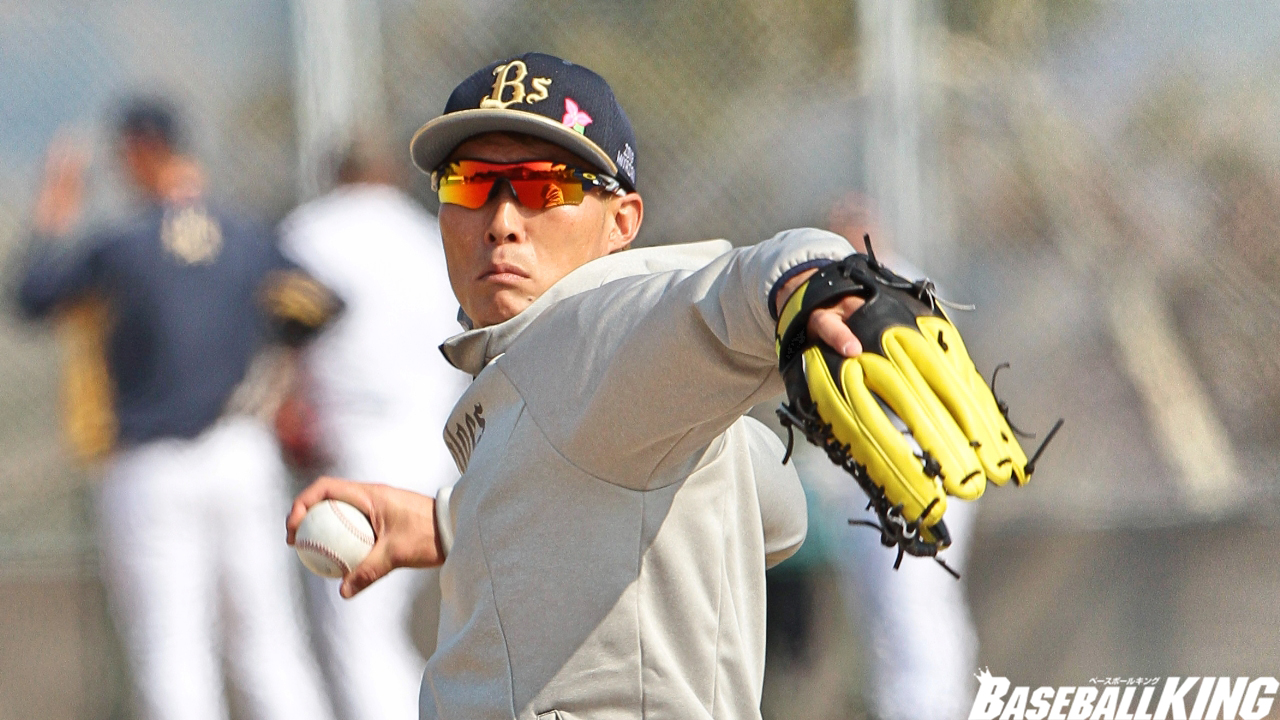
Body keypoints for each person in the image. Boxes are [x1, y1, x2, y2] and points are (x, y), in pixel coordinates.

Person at [286, 53, 869, 720]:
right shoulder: (566, 382)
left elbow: (714, 299)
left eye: (544, 187)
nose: (501, 219)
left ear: (622, 223)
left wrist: (802, 275)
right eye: (471, 183)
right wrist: (452, 521)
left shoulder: (590, 339)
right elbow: (777, 513)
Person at [16, 98, 337, 720]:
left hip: (151, 468)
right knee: (270, 645)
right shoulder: (247, 236)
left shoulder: (120, 247)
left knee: (170, 652)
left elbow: (33, 295)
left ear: (137, 153)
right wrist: (277, 360)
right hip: (240, 451)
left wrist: (55, 206)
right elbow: (324, 303)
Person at [278, 135, 469, 720]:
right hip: (441, 439)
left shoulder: (309, 229)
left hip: (358, 443)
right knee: (383, 627)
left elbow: (284, 329)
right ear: (387, 174)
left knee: (356, 632)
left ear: (335, 174)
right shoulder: (427, 231)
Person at [803, 193, 980, 720]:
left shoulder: (906, 288)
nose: (851, 240)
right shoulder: (826, 293)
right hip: (866, 473)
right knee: (881, 612)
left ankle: (936, 708)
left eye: (858, 229)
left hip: (923, 465)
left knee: (913, 605)